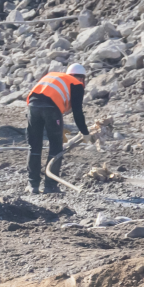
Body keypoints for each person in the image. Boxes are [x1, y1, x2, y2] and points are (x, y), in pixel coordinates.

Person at [26, 63, 89, 193]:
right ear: (82, 78)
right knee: (55, 146)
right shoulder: (76, 84)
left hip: (33, 105)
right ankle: (50, 186)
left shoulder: (56, 77)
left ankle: (32, 185)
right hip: (51, 108)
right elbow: (77, 112)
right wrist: (84, 132)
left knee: (34, 146)